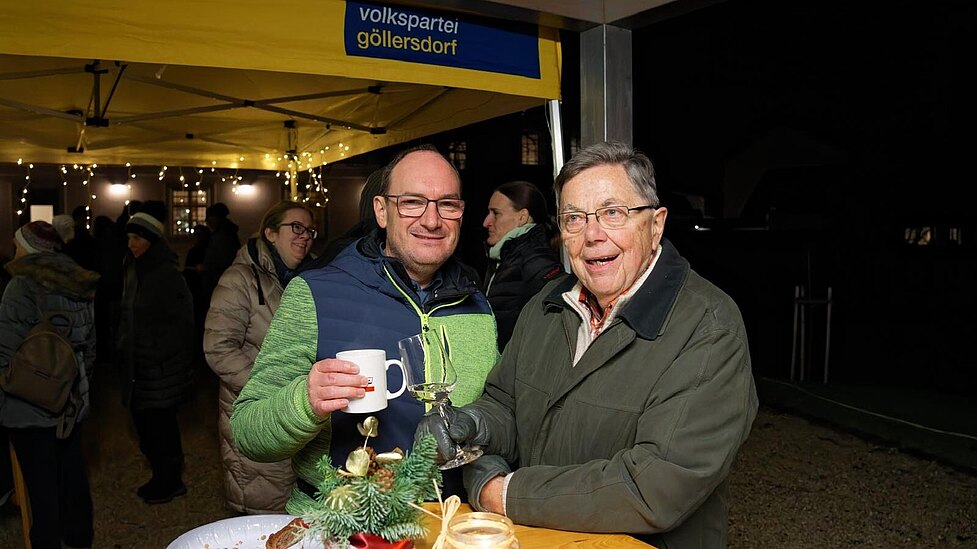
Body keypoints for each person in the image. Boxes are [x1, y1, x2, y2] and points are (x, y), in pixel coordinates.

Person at [419, 141, 759, 548]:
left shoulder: (708, 327)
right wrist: (474, 426)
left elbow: (654, 486)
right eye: (574, 218)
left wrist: (503, 493)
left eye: (613, 213)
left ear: (656, 224)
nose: (593, 235)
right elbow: (505, 405)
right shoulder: (546, 306)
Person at [231, 145, 499, 514]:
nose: (432, 220)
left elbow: (498, 413)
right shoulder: (316, 294)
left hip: (450, 519)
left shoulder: (477, 306)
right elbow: (247, 433)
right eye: (412, 202)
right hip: (340, 523)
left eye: (447, 204)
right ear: (381, 211)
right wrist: (305, 402)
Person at [204, 201, 315, 514]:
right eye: (296, 227)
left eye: (309, 230)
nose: (305, 236)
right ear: (270, 233)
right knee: (263, 507)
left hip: (302, 411)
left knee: (301, 511)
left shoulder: (311, 279)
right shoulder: (239, 279)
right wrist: (269, 389)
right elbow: (218, 347)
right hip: (257, 409)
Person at [0, 221, 98, 548]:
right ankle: (79, 536)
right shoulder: (80, 281)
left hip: (29, 400)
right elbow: (91, 346)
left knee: (40, 484)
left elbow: (5, 349)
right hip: (71, 396)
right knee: (71, 471)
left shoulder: (21, 286)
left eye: (17, 245)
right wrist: (79, 384)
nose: (14, 251)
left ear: (28, 249)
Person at [116, 203, 195, 504]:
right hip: (137, 366)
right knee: (145, 428)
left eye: (136, 238)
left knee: (161, 428)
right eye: (128, 238)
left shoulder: (166, 274)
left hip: (160, 368)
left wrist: (156, 352)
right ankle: (161, 476)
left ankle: (170, 481)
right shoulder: (134, 269)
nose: (131, 244)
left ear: (151, 240)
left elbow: (183, 324)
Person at [481, 181, 563, 349]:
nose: (486, 222)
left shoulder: (537, 261)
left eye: (496, 213)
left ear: (522, 217)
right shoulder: (504, 258)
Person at [200, 202, 240, 298]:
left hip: (218, 282)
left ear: (217, 218)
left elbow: (223, 260)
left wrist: (207, 267)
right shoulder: (226, 234)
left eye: (210, 218)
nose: (207, 221)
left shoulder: (222, 236)